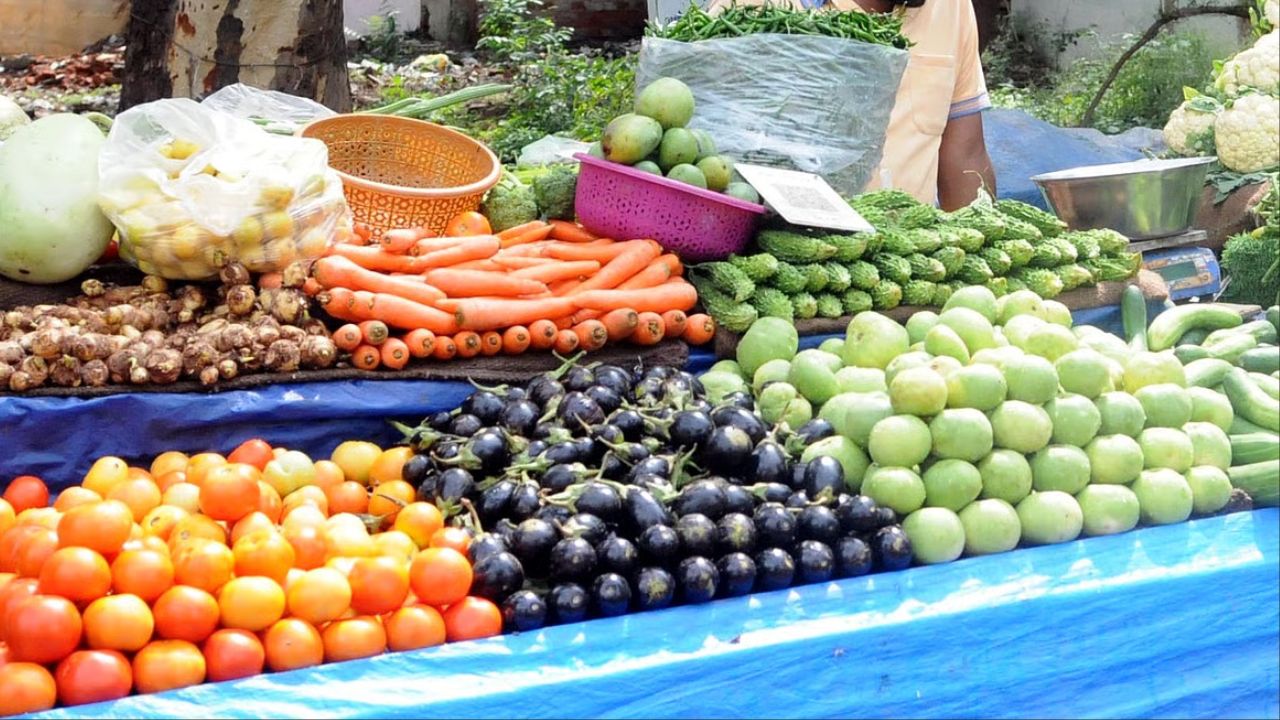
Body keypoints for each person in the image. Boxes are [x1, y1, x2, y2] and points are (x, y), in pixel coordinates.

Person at [703, 0, 997, 210]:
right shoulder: (752, 8)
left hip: (907, 260)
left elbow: (965, 155)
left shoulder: (951, 7)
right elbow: (707, 157)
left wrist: (986, 253)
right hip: (796, 260)